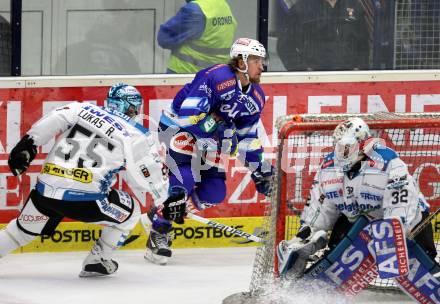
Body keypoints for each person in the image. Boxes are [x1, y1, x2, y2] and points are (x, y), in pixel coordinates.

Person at [0, 83, 183, 277]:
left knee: (21, 231)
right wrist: (166, 200)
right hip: (86, 201)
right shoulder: (137, 135)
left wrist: (29, 144)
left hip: (45, 192)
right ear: (132, 107)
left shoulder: (82, 108)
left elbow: (55, 118)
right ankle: (98, 260)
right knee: (132, 211)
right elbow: (145, 180)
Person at [143, 37, 273, 265]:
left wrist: (259, 169)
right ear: (241, 61)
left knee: (214, 192)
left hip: (211, 140)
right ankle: (160, 231)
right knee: (182, 181)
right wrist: (221, 128)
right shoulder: (216, 77)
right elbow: (189, 117)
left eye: (261, 61)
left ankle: (161, 210)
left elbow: (247, 138)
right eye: (256, 60)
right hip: (179, 130)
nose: (262, 66)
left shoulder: (256, 97)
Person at [277, 118, 437, 295]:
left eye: (346, 147)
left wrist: (393, 234)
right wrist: (306, 237)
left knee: (423, 267)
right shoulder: (328, 168)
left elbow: (401, 206)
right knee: (331, 253)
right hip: (357, 221)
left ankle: (429, 275)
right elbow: (320, 209)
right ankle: (319, 285)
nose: (340, 153)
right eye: (338, 147)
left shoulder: (388, 162)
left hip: (406, 221)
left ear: (363, 145)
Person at [276, 0, 370, 71]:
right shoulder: (301, 8)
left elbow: (364, 44)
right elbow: (285, 46)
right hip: (314, 80)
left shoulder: (355, 6)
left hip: (349, 78)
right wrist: (303, 70)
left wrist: (359, 68)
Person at [157, 0, 237, 73]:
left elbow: (164, 38)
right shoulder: (222, 4)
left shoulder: (195, 10)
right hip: (217, 75)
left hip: (186, 73)